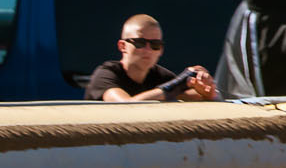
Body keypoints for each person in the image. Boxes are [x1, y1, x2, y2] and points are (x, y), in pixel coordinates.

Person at [86, 14, 217, 103]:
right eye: (140, 43)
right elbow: (126, 106)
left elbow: (196, 97)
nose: (148, 50)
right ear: (122, 46)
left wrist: (206, 92)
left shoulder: (161, 76)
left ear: (161, 50)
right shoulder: (106, 74)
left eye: (155, 45)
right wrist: (177, 84)